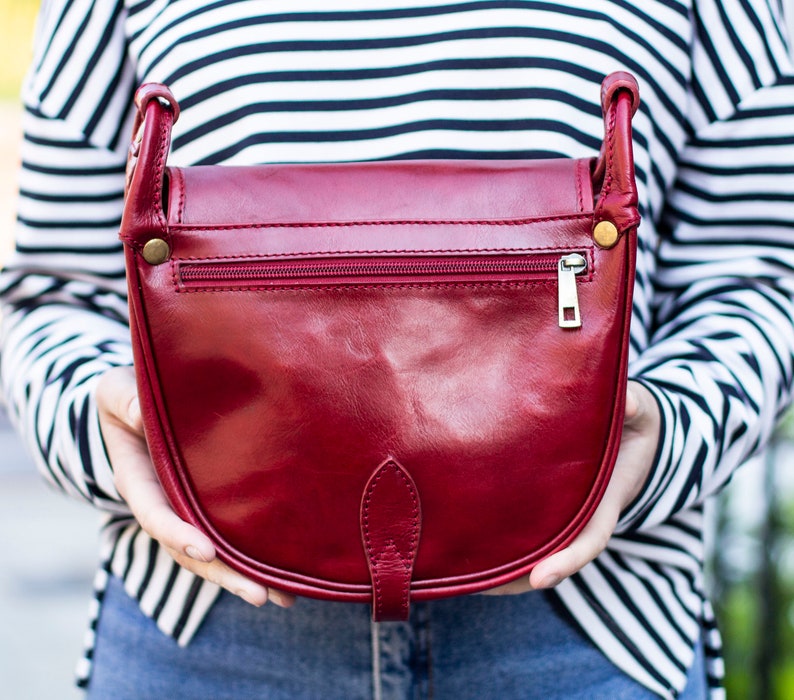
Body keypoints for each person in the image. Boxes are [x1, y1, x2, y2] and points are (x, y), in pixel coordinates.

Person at [1, 1, 792, 698]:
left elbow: (764, 273)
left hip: (588, 634)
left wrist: (666, 434)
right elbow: (52, 293)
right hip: (209, 628)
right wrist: (112, 426)